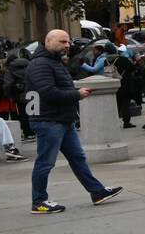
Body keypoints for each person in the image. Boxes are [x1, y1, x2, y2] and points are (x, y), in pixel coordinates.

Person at [28, 29, 122, 215]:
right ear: (48, 41)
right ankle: (38, 201)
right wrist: (76, 95)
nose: (67, 45)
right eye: (62, 41)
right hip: (49, 120)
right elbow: (47, 92)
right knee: (45, 162)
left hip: (62, 119)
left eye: (68, 41)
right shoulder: (41, 64)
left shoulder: (53, 62)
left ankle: (97, 192)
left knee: (77, 158)